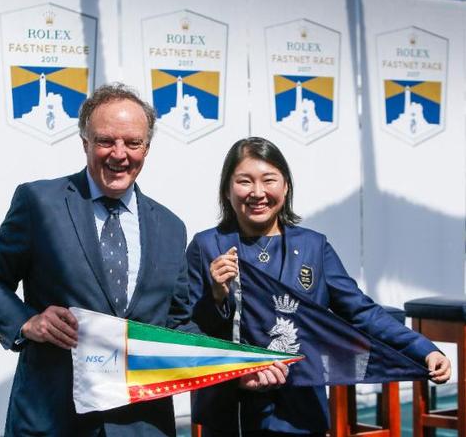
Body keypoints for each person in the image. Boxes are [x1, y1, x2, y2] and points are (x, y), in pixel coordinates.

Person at [0, 86, 285, 436]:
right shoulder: (39, 203)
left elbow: (176, 326)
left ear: (147, 148)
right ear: (84, 142)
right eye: (106, 141)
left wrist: (237, 367)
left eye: (133, 143)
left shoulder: (169, 226)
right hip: (54, 420)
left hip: (143, 424)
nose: (119, 154)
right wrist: (28, 322)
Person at [186, 137, 451, 436]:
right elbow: (188, 330)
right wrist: (217, 296)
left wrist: (423, 350)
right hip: (230, 414)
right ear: (227, 189)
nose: (257, 192)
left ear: (285, 186)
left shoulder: (313, 246)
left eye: (269, 180)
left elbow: (362, 312)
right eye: (244, 181)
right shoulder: (206, 246)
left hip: (300, 412)